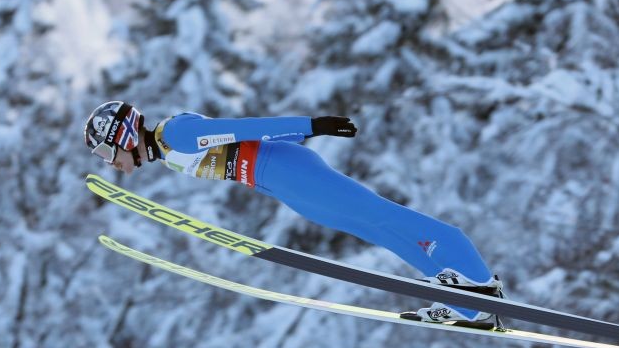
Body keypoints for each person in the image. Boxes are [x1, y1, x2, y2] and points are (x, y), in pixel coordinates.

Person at [83, 100, 505, 327]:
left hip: (287, 171)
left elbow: (248, 127)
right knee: (369, 226)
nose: (109, 162)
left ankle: (477, 278)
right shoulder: (168, 151)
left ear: (121, 136)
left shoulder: (174, 134)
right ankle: (463, 301)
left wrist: (313, 124)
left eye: (105, 151)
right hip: (280, 185)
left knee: (379, 214)